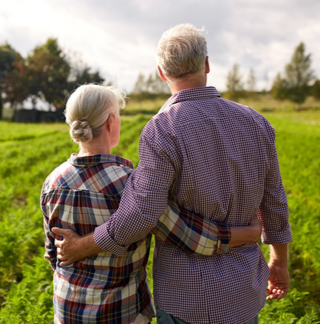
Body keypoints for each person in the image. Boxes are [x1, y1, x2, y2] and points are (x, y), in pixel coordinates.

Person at [54, 24, 292, 324]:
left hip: (187, 296)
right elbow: (274, 203)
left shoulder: (162, 129)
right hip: (245, 289)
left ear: (161, 73)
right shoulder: (256, 122)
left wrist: (79, 247)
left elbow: (141, 215)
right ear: (206, 64)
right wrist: (279, 263)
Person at [42, 83, 261, 324]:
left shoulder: (52, 181)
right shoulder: (131, 184)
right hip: (120, 312)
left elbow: (54, 254)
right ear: (111, 122)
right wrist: (246, 234)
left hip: (66, 311)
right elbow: (189, 235)